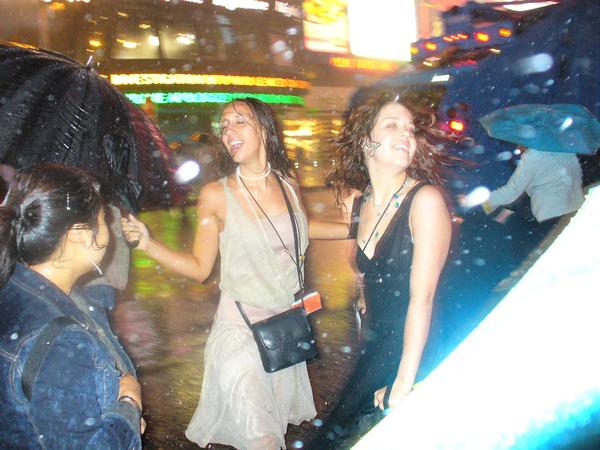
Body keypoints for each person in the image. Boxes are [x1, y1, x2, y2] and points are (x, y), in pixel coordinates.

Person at [120, 98, 316, 449]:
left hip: (282, 330)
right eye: (224, 125)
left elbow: (301, 228)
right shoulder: (216, 195)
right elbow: (200, 268)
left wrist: (358, 226)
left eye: (239, 121)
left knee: (273, 431)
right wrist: (148, 244)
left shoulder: (288, 184)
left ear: (265, 129)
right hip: (239, 331)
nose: (229, 131)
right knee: (263, 437)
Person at [310, 90, 454, 448]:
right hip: (376, 343)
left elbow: (422, 301)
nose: (406, 134)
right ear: (365, 141)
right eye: (392, 125)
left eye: (410, 129)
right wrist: (364, 295)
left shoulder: (425, 201)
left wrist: (403, 384)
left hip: (415, 345)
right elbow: (367, 268)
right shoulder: (361, 203)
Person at [0, 163, 144, 449]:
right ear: (79, 233)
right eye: (104, 220)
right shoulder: (61, 340)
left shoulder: (13, 284)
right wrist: (129, 403)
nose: (110, 231)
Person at [481, 146, 584, 237]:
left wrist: (482, 202)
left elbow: (511, 191)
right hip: (577, 205)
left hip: (551, 214)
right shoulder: (562, 147)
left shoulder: (532, 156)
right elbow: (577, 174)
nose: (518, 147)